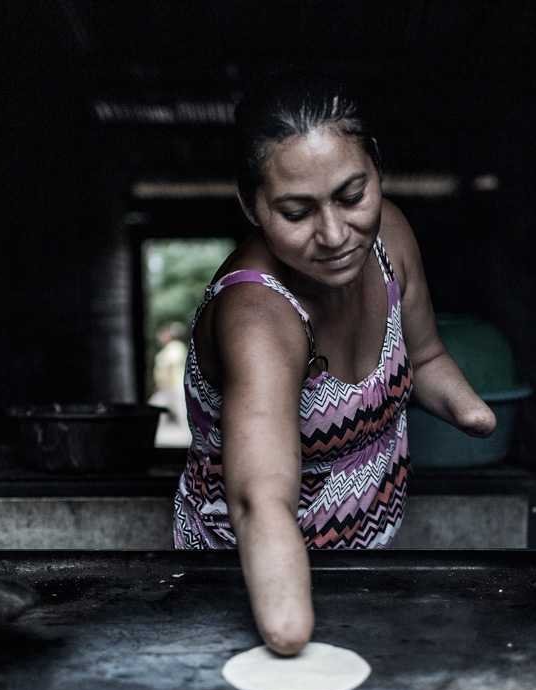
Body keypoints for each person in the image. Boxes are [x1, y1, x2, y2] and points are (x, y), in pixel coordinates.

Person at [173, 71, 496, 656]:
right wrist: (288, 631)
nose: (334, 234)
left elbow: (423, 354)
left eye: (352, 196)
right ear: (250, 204)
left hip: (364, 558)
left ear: (377, 169)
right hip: (251, 579)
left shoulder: (389, 235)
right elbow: (260, 498)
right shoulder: (258, 315)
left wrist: (474, 414)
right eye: (297, 212)